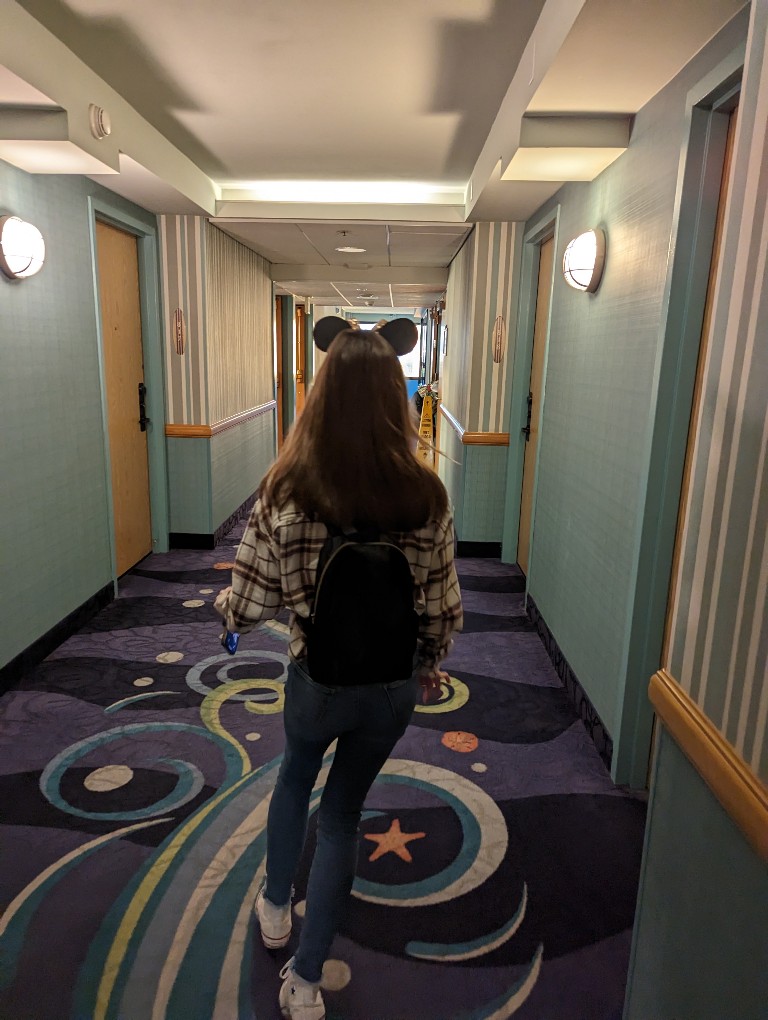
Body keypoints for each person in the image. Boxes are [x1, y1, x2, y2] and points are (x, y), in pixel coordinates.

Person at [215, 328, 463, 1020]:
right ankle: (307, 981)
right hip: (389, 693)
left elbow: (252, 600)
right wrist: (428, 665)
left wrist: (225, 612)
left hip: (314, 683)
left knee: (295, 778)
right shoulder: (428, 498)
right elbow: (442, 612)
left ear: (319, 399)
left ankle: (273, 903)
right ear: (395, 398)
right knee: (345, 815)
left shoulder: (287, 491)